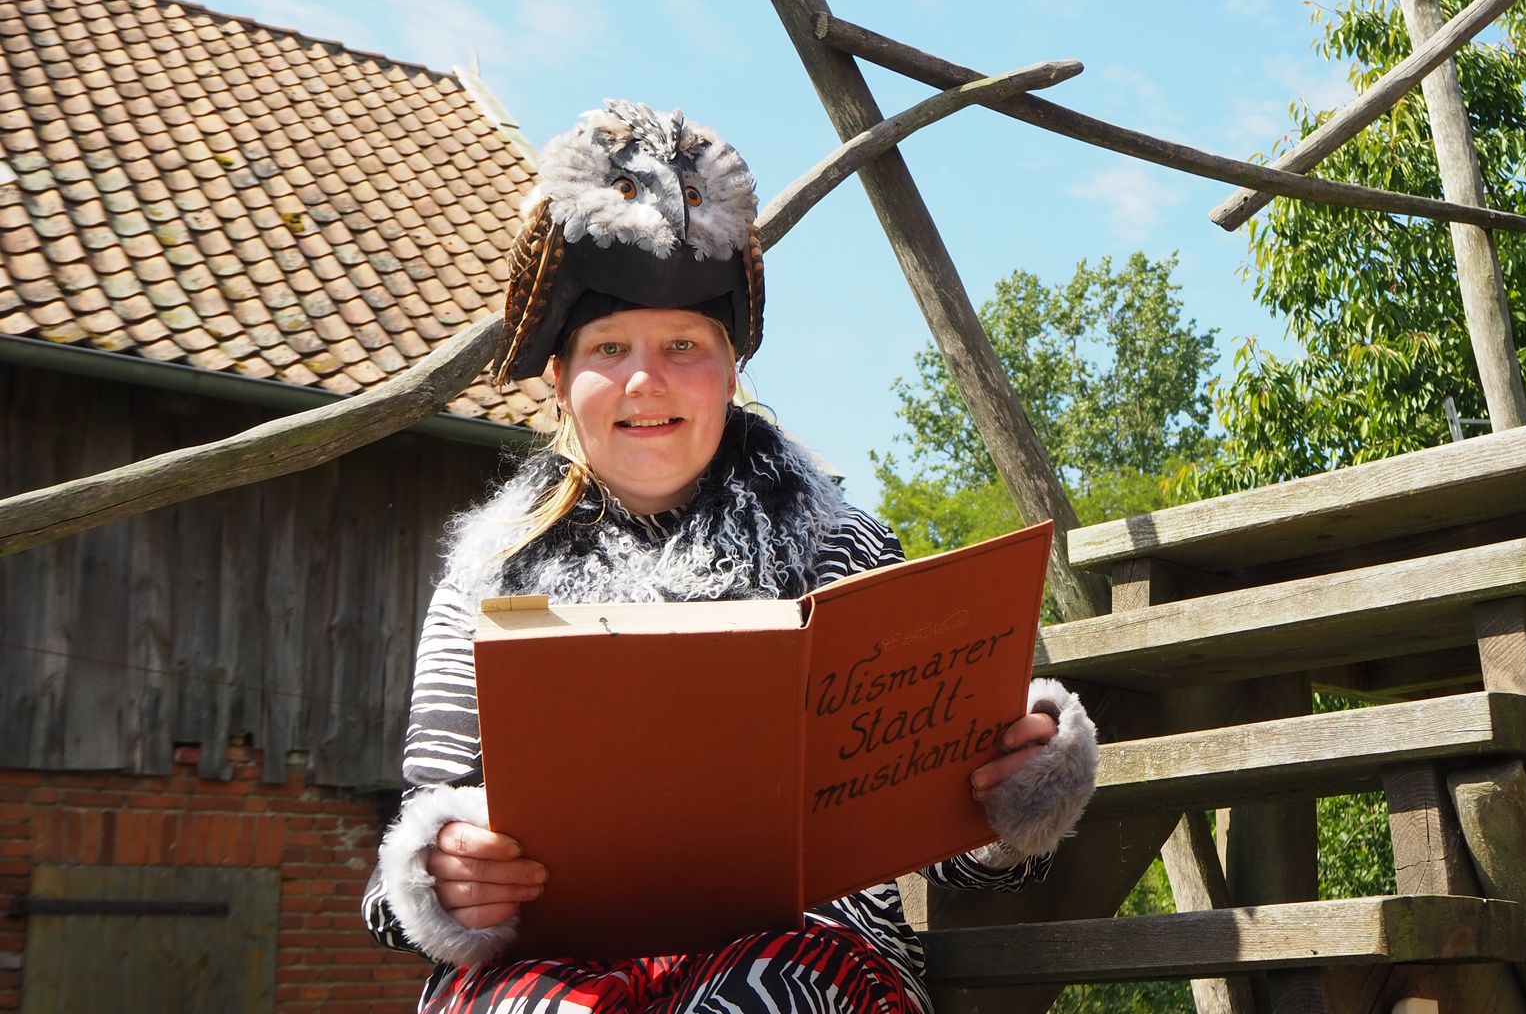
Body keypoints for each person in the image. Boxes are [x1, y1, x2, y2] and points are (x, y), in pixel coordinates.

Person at [359, 100, 1100, 1013]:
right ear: (559, 379)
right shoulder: (487, 576)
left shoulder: (844, 548)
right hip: (554, 965)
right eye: (608, 347)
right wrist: (441, 873)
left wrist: (1015, 781)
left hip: (805, 960)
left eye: (684, 345)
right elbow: (397, 886)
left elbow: (944, 846)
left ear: (731, 367)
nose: (646, 379)